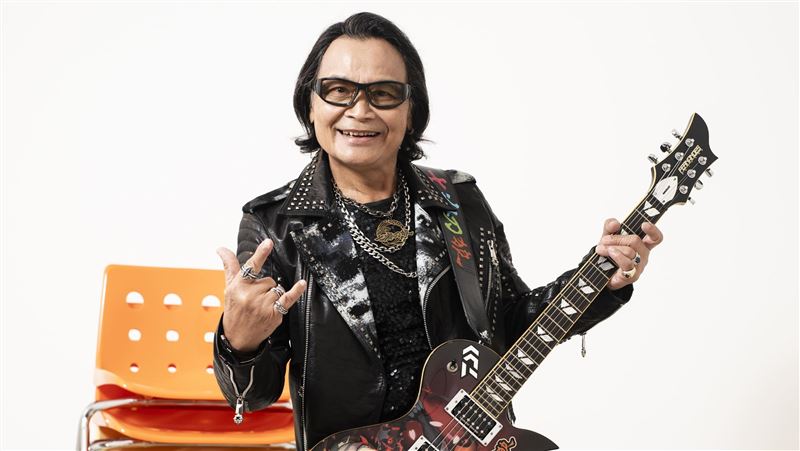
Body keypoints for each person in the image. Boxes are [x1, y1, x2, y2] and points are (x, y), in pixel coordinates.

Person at [213, 11, 663, 450]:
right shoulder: (275, 225)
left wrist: (602, 276)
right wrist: (240, 340)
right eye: (338, 90)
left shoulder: (458, 201)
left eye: (383, 93)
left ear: (412, 110)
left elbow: (511, 324)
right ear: (310, 105)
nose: (360, 110)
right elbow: (253, 395)